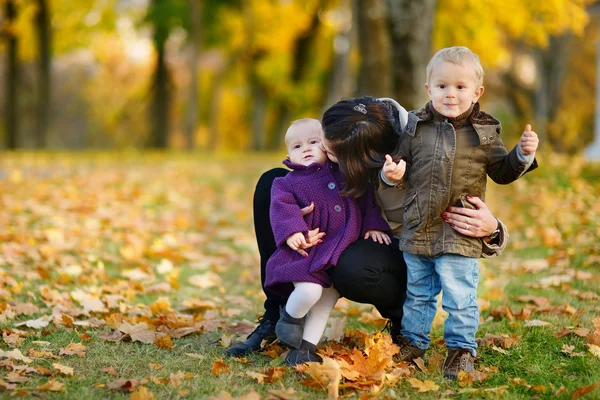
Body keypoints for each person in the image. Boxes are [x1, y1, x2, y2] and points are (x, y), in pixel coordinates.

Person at [226, 96, 511, 368]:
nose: (323, 150)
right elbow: (301, 157)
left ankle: (405, 322)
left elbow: (467, 207)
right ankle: (278, 309)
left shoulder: (422, 152)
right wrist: (295, 216)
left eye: (331, 150)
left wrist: (493, 230)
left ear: (364, 159)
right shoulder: (352, 121)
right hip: (335, 233)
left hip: (398, 249)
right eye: (324, 141)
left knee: (352, 269)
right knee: (271, 183)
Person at [378, 46, 539, 379]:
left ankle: (461, 349)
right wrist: (391, 174)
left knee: (459, 296)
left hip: (459, 230)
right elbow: (400, 167)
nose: (450, 94)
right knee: (418, 293)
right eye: (442, 86)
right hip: (419, 226)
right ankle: (413, 342)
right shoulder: (415, 127)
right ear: (429, 89)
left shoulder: (484, 133)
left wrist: (521, 155)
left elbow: (502, 172)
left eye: (460, 87)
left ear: (477, 92)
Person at [264, 118, 391, 365]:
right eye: (297, 146)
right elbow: (281, 209)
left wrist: (374, 225)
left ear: (327, 145)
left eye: (313, 142)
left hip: (337, 256)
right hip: (306, 254)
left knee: (326, 302)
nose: (307, 149)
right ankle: (289, 319)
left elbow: (367, 202)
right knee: (309, 290)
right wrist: (293, 232)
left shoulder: (346, 175)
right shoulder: (285, 183)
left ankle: (306, 349)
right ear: (288, 154)